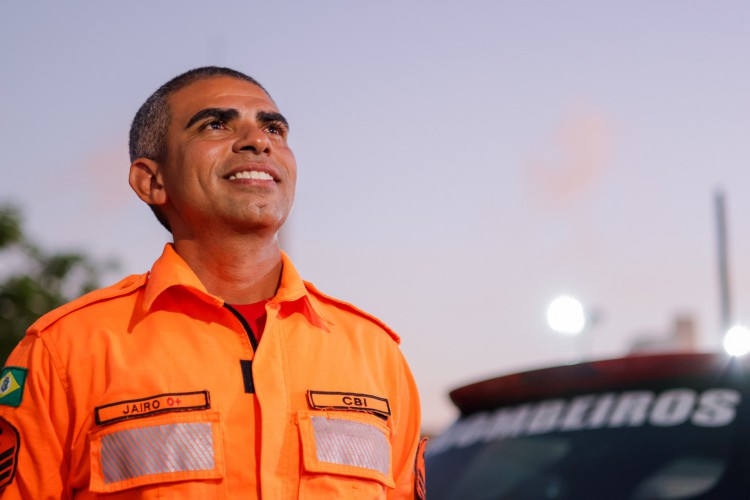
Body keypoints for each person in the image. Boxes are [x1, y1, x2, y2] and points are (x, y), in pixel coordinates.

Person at [0, 66, 425, 499]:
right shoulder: (65, 351)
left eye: (274, 128)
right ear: (152, 180)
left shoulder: (377, 356)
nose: (259, 141)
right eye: (215, 124)